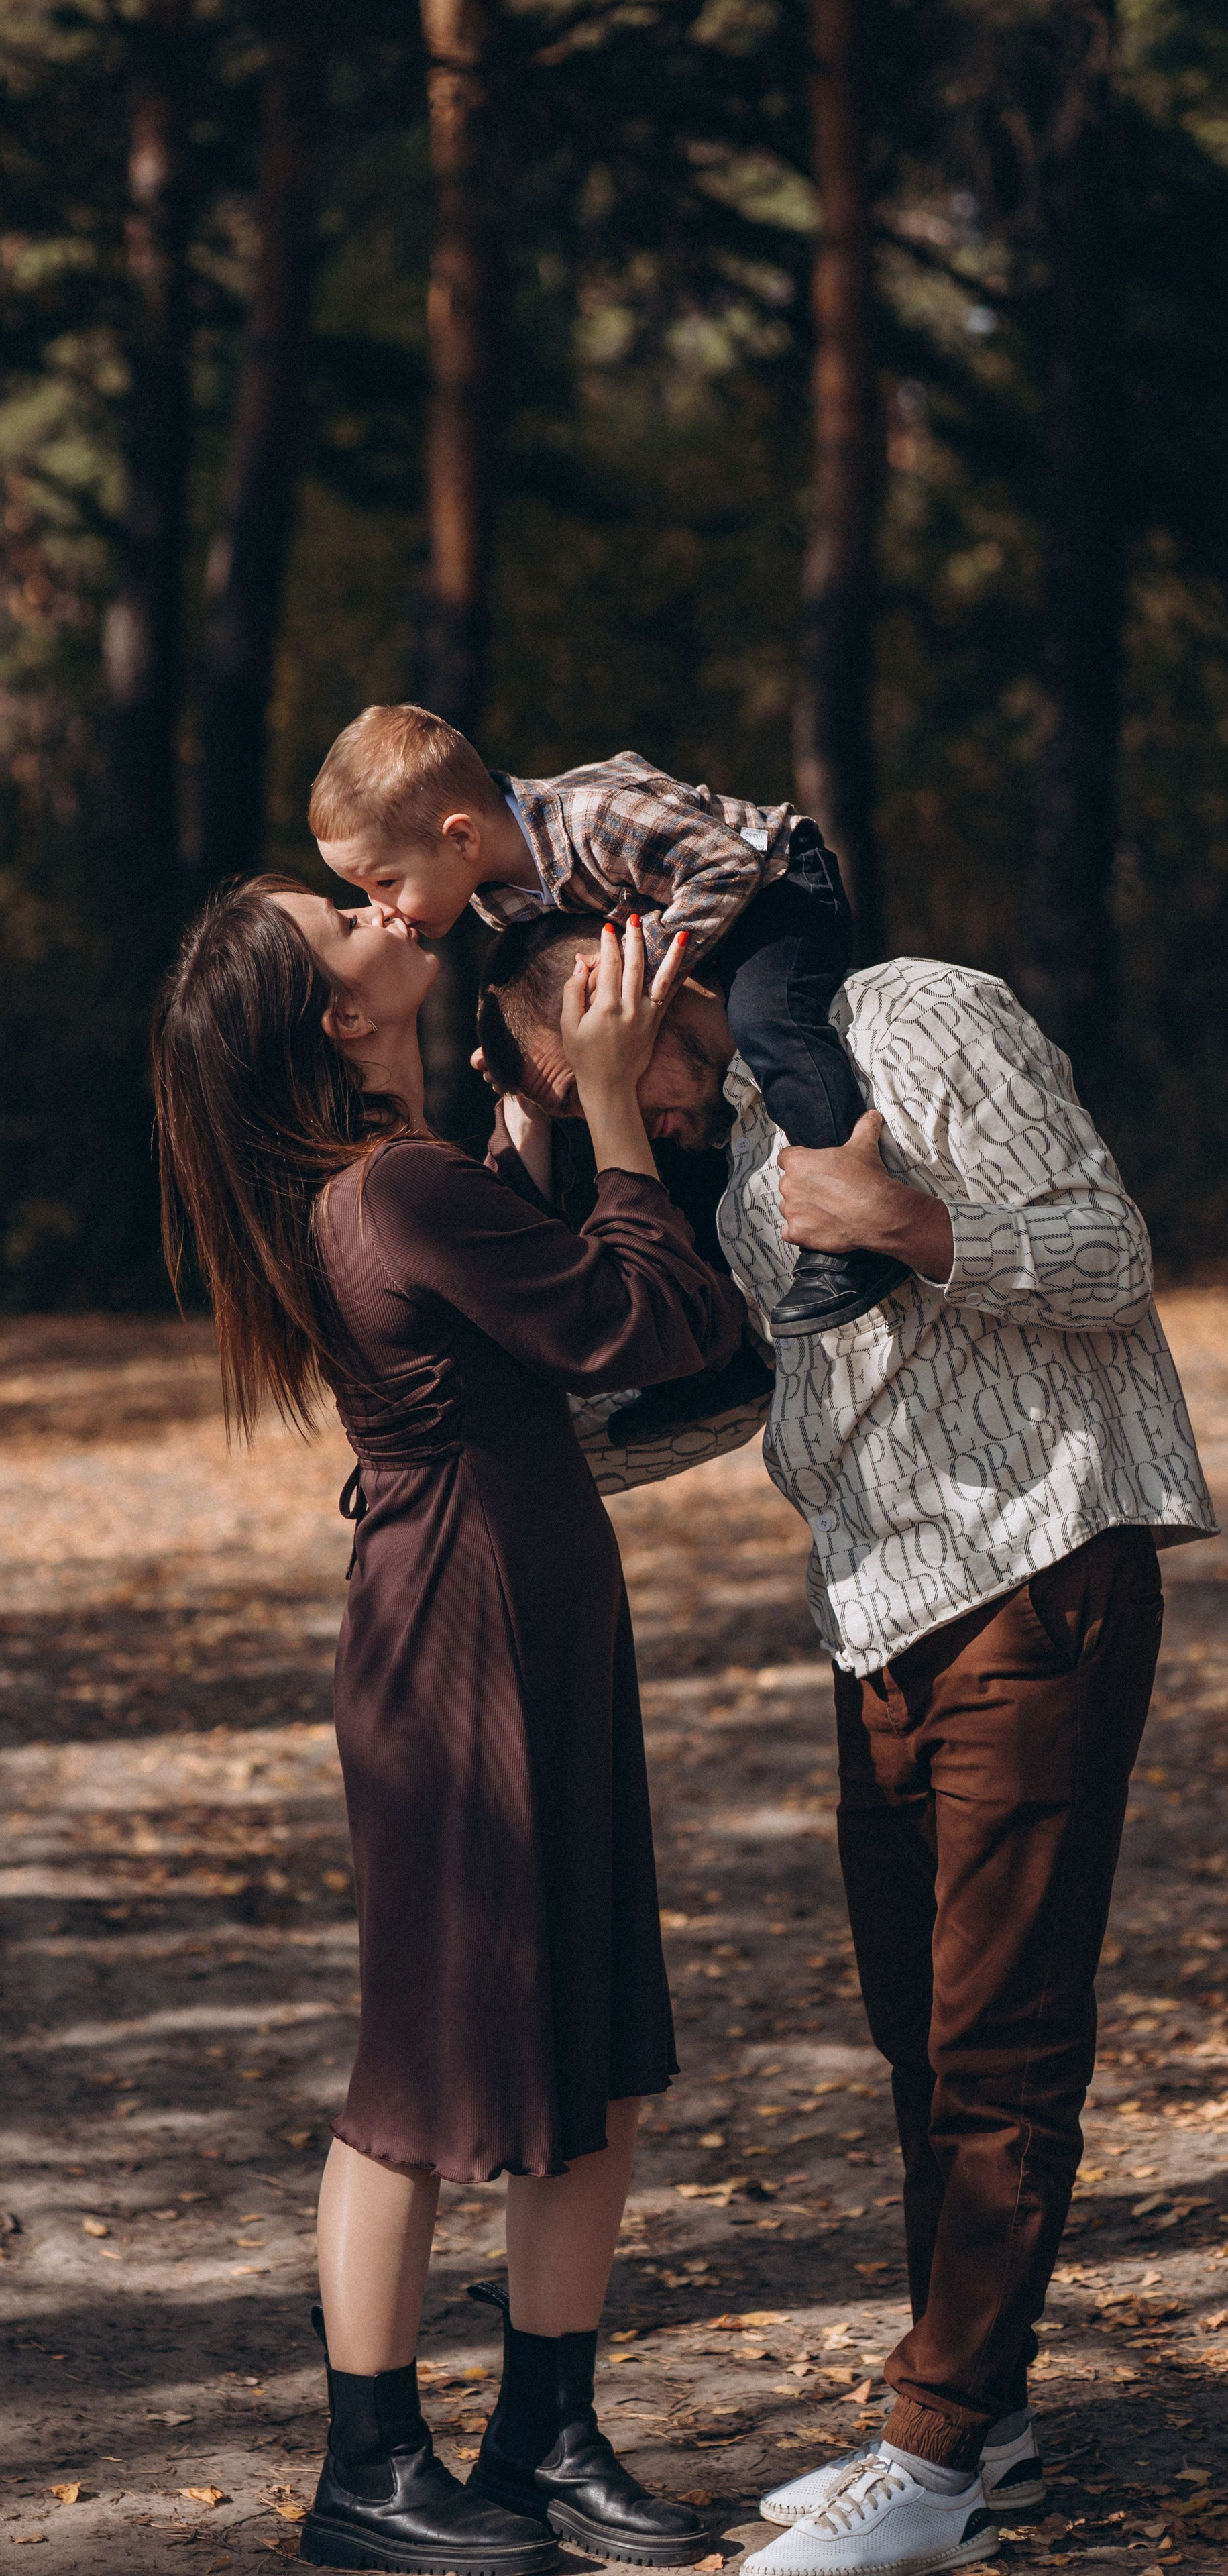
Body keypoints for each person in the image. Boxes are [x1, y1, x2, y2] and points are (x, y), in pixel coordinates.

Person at [475, 922, 1217, 2576]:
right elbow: (730, 1392)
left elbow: (1106, 1254)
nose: (638, 1120)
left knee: (997, 2035)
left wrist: (903, 1219)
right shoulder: (732, 1143)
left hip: (1035, 1556)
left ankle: (933, 2451)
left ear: (646, 977)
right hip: (875, 1606)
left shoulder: (918, 1015)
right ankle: (983, 2424)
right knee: (918, 2028)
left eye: (621, 1076)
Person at [152, 881, 744, 2574]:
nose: (370, 902)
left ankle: (545, 2430)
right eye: (332, 916)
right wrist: (620, 1103)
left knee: (595, 2034)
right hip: (459, 1630)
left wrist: (556, 1103)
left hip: (525, 1608)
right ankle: (369, 2463)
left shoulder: (423, 1172)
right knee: (423, 2058)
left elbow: (574, 1298)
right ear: (336, 1016)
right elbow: (647, 1319)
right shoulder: (389, 1188)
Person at [309, 700, 907, 1338]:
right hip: (708, 918)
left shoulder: (597, 821)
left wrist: (639, 961)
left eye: (384, 883)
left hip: (779, 883)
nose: (383, 910)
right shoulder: (495, 897)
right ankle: (716, 1333)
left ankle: (853, 1224)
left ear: (460, 837)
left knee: (769, 1023)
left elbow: (728, 865)